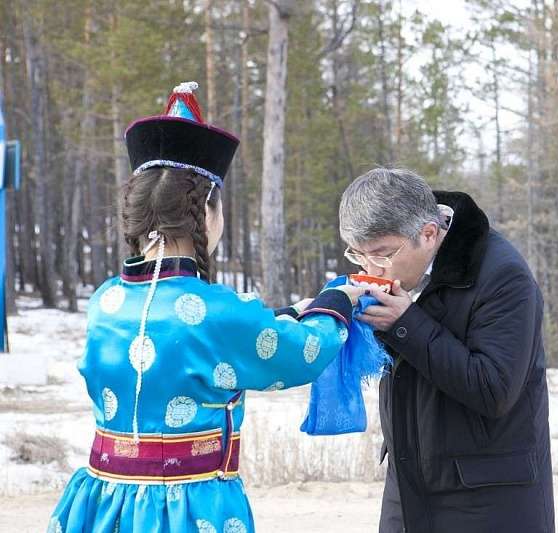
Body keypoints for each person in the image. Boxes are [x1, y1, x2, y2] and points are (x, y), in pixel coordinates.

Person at [47, 82, 364, 533]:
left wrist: (288, 312)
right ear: (208, 210)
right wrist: (336, 304)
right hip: (188, 507)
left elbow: (207, 338)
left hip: (104, 499)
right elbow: (301, 353)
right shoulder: (218, 310)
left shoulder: (106, 300)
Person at [338, 168, 555, 533]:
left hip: (488, 497)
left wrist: (405, 323)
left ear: (428, 234)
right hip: (407, 487)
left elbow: (493, 389)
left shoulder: (503, 276)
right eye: (358, 255)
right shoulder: (397, 272)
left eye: (382, 254)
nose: (371, 268)